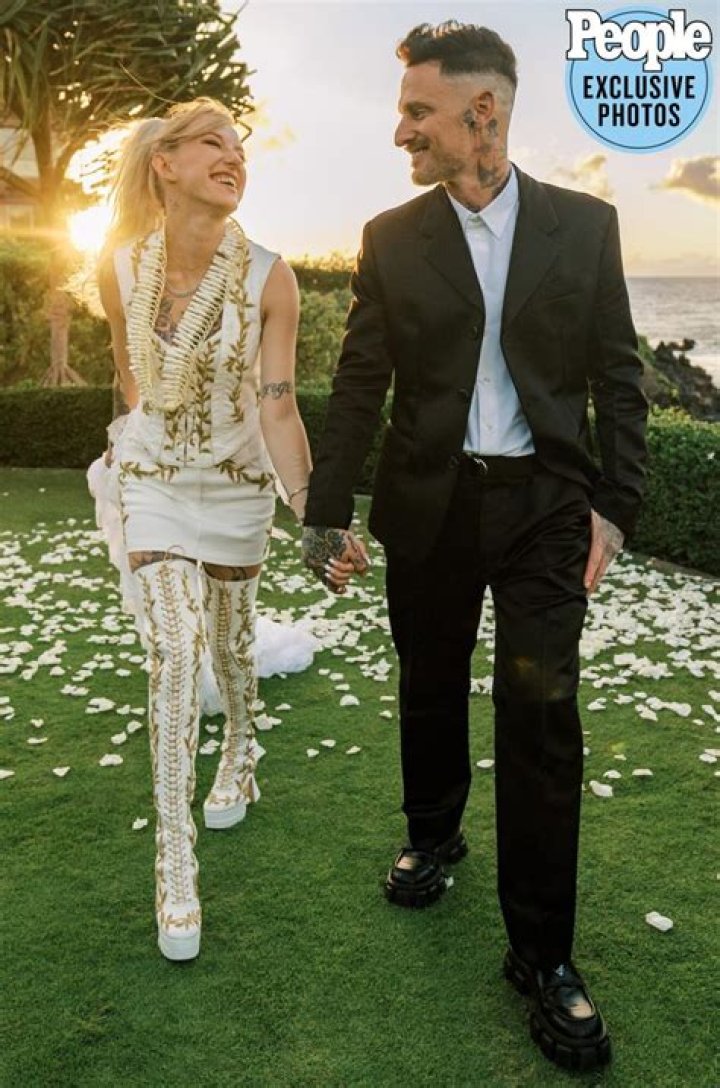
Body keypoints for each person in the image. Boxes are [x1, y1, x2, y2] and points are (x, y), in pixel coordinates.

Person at [302, 22, 648, 1071]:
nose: (401, 130)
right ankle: (433, 830)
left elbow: (618, 374)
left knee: (540, 714)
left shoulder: (586, 225)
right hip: (432, 504)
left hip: (546, 507)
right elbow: (361, 382)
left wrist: (617, 504)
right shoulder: (389, 236)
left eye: (419, 111)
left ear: (482, 113)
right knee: (430, 679)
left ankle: (542, 955)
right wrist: (326, 508)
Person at [97, 97, 314, 962]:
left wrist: (312, 512)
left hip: (234, 488)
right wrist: (136, 449)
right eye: (213, 143)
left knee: (228, 646)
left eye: (240, 148)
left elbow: (279, 406)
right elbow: (132, 376)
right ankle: (175, 864)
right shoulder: (119, 268)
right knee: (176, 651)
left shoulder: (271, 278)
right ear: (167, 163)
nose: (233, 157)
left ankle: (241, 751)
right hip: (154, 481)